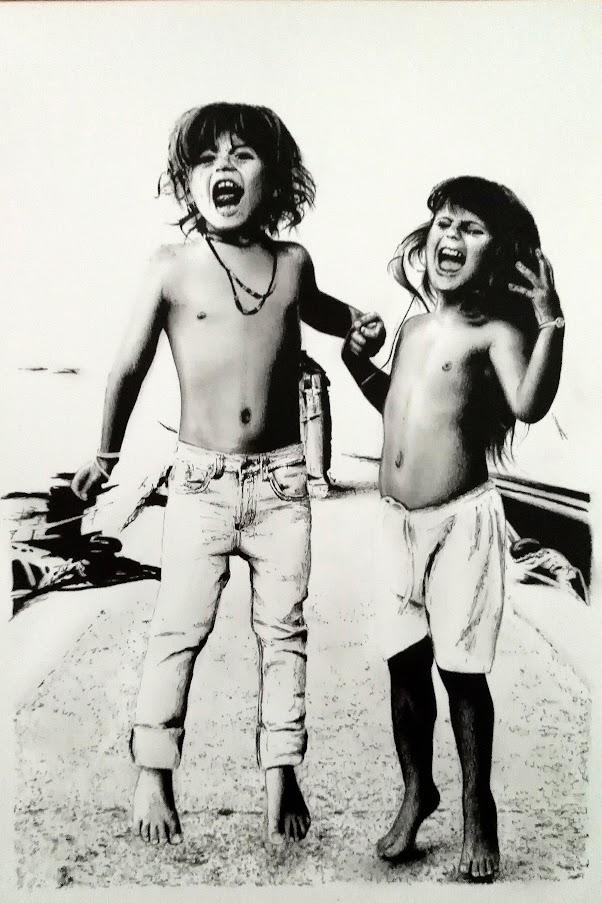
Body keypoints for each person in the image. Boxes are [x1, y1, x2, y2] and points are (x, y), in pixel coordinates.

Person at [71, 102, 384, 847]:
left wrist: (357, 321)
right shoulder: (172, 267)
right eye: (208, 158)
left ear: (274, 179)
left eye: (243, 155)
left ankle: (282, 770)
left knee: (284, 631)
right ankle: (153, 770)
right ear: (187, 181)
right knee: (179, 627)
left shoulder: (292, 261)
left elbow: (317, 308)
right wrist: (105, 456)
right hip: (201, 484)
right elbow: (127, 367)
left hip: (281, 483)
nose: (224, 168)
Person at [342, 176, 564, 879]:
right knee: (403, 665)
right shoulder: (413, 327)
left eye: (471, 228)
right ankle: (417, 790)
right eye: (443, 222)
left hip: (460, 523)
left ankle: (477, 805)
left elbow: (528, 404)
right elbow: (396, 407)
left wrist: (551, 325)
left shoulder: (495, 332)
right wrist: (355, 362)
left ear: (500, 253)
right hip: (395, 523)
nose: (450, 235)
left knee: (461, 673)